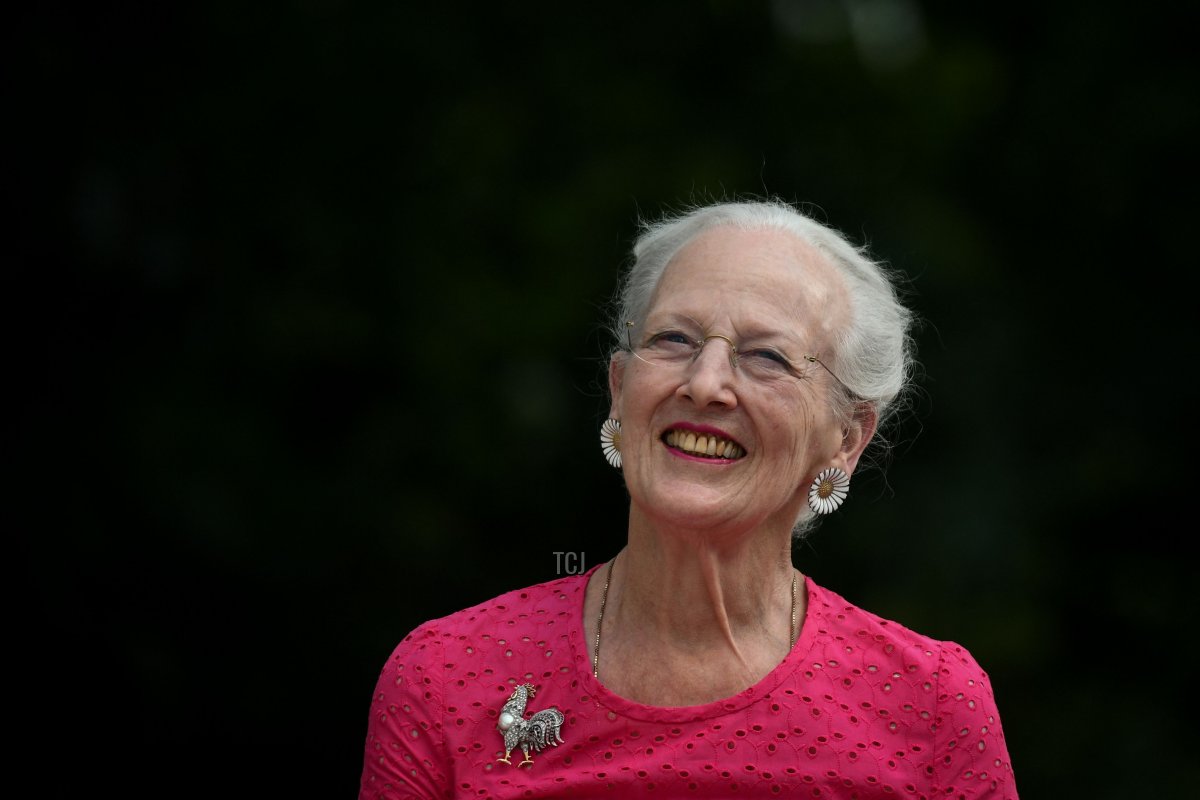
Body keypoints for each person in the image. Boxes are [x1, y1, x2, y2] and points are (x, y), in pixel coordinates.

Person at [358, 199, 1019, 798]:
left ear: (844, 439)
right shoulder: (444, 679)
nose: (705, 384)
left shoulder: (929, 705)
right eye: (674, 340)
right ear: (620, 389)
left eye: (766, 357)